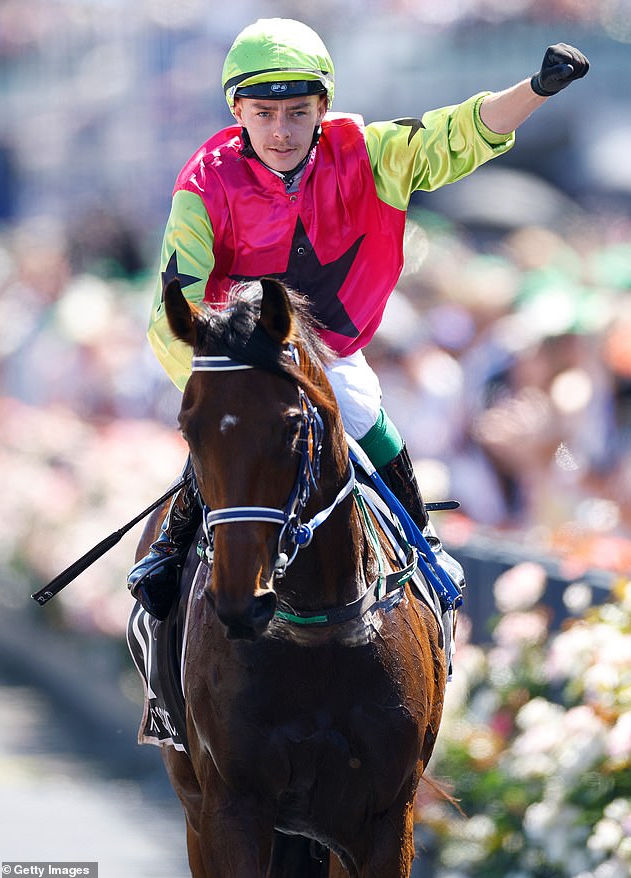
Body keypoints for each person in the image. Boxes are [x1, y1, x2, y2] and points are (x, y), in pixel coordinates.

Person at [128, 19, 589, 619]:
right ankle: (169, 549)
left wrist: (535, 89)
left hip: (328, 351)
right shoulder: (203, 182)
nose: (281, 130)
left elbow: (452, 136)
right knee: (230, 435)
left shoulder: (368, 153)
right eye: (263, 114)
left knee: (369, 416)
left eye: (298, 112)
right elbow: (173, 306)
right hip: (241, 356)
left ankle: (420, 545)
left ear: (323, 107)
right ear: (236, 110)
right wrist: (223, 376)